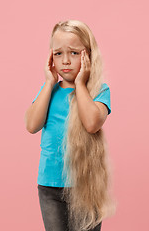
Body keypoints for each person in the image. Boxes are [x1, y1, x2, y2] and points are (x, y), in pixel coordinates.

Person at [25, 20, 116, 231]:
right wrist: (49, 82)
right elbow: (31, 125)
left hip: (86, 185)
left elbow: (92, 123)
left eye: (74, 53)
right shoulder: (48, 91)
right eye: (58, 54)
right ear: (51, 57)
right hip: (50, 185)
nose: (65, 60)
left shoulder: (99, 91)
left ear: (88, 55)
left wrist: (81, 84)